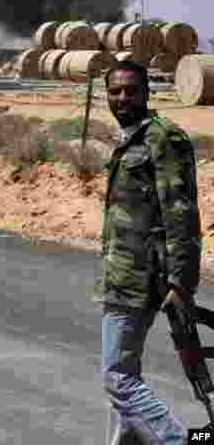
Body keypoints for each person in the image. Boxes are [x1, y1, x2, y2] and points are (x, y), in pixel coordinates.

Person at [94, 58, 201, 443]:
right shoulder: (130, 140)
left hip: (143, 277)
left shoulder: (163, 138)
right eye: (115, 91)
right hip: (121, 273)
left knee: (118, 379)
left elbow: (181, 212)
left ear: (146, 93)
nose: (122, 98)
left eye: (131, 90)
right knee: (125, 379)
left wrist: (181, 281)